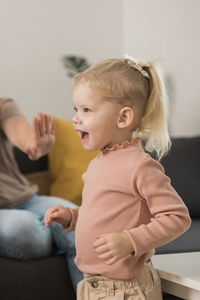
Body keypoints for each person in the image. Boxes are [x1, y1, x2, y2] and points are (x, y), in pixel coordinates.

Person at [44, 56, 191, 299]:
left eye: (87, 110)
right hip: (92, 286)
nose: (76, 118)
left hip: (127, 289)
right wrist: (73, 217)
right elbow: (104, 213)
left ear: (123, 118)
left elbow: (177, 217)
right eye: (76, 109)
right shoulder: (97, 164)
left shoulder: (140, 166)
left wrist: (131, 240)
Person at [0, 98, 82, 292]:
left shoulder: (2, 105)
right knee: (23, 230)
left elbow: (20, 131)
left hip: (28, 199)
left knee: (82, 221)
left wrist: (34, 145)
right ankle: (56, 234)